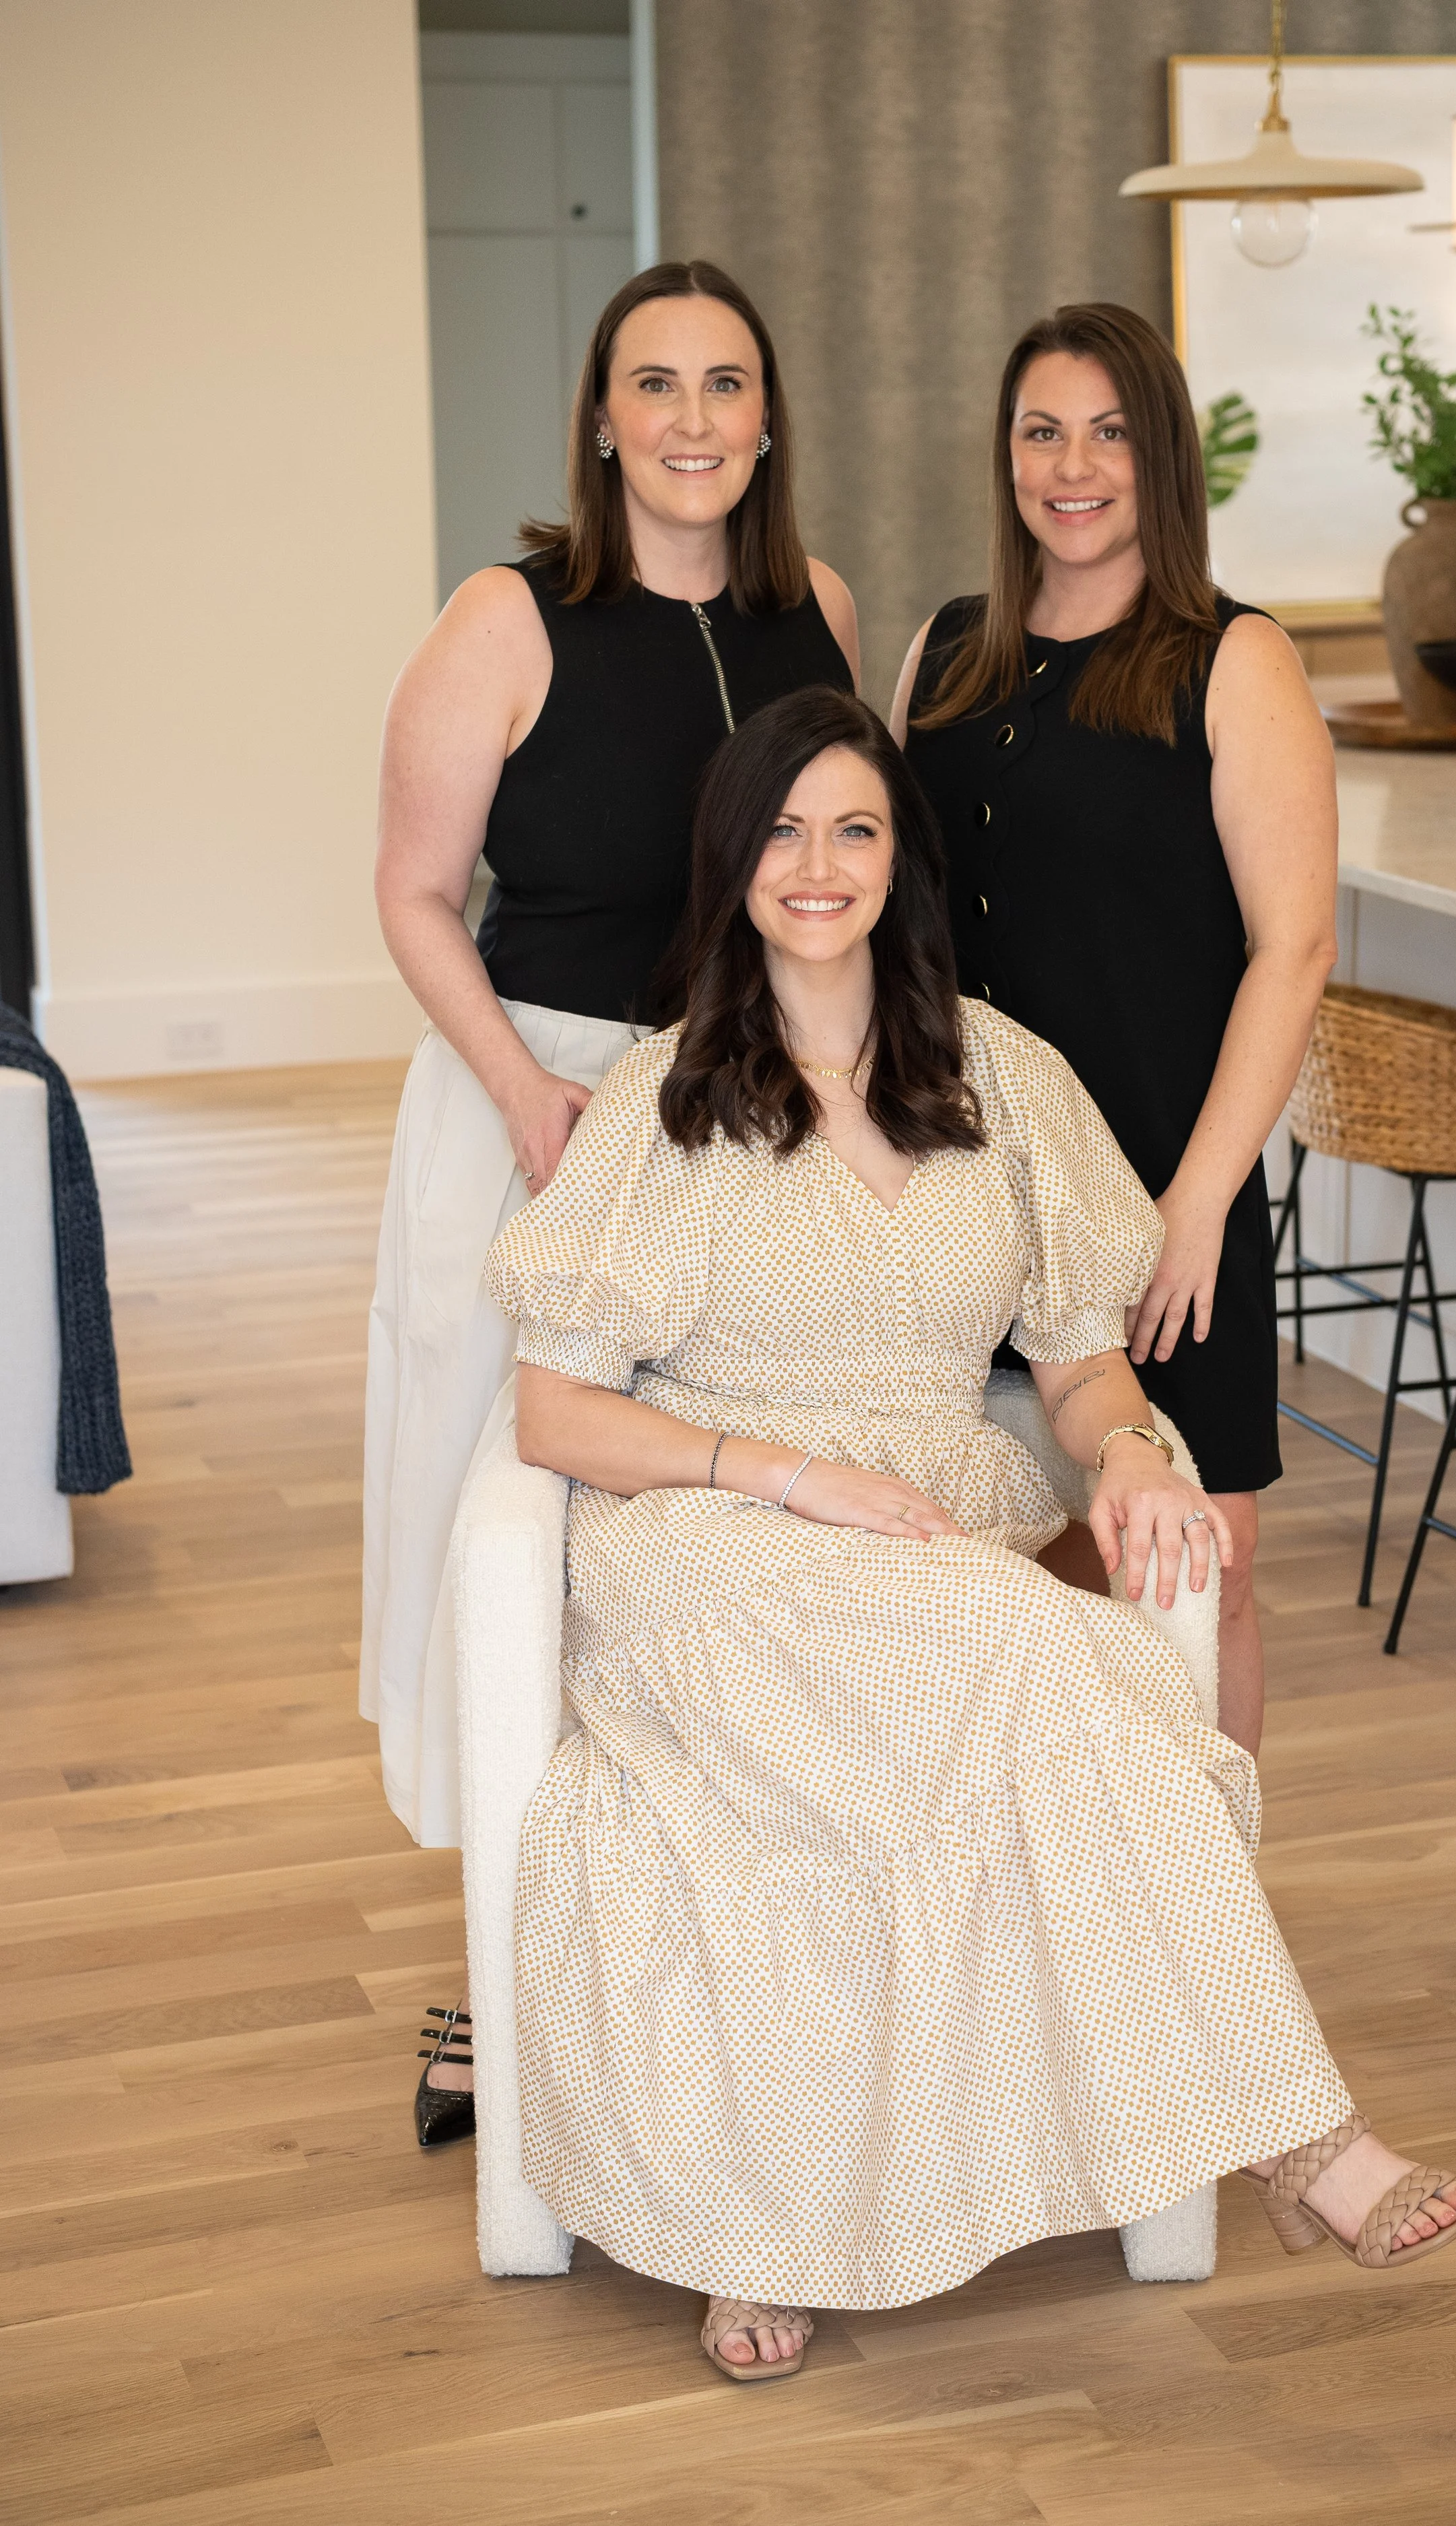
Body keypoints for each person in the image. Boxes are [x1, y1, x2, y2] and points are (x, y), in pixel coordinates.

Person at [487, 686, 1456, 2381]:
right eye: (784, 831)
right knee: (1043, 1658)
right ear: (732, 862)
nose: (820, 866)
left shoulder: (999, 1076)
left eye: (855, 829)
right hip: (713, 1534)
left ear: (900, 860)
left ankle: (778, 2217)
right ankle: (1295, 2147)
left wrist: (1137, 1457)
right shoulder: (665, 1099)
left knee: (1017, 1679)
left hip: (934, 1520)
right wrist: (783, 1479)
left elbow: (1080, 1370)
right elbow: (553, 1416)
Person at [363, 261, 859, 2144]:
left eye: (725, 382)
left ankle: (676, 1941)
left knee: (688, 1541)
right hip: (537, 1102)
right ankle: (489, 1969)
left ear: (764, 417)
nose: (690, 418)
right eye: (652, 383)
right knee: (496, 1519)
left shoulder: (810, 607)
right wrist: (520, 1092)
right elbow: (414, 891)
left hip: (735, 1108)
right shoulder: (507, 614)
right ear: (599, 417)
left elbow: (840, 876)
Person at [893, 302, 1338, 1759]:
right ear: (1004, 454)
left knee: (1202, 1561)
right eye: (1039, 430)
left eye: (1106, 432)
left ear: (1159, 458)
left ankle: (1207, 1902)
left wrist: (1198, 1202)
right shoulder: (941, 655)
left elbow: (1293, 947)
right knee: (993, 1553)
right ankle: (1049, 1890)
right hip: (968, 1190)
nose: (1069, 465)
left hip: (1165, 1180)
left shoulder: (1232, 659)